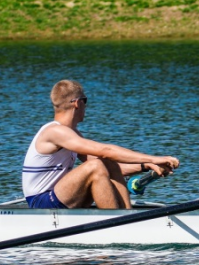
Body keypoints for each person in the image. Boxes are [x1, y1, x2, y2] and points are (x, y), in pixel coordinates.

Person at [22, 80, 180, 210]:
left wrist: (145, 166)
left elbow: (111, 166)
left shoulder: (71, 134)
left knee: (105, 162)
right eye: (85, 100)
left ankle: (126, 215)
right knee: (96, 165)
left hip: (60, 197)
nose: (86, 106)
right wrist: (154, 158)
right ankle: (115, 224)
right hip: (41, 202)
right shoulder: (55, 132)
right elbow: (105, 150)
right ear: (77, 103)